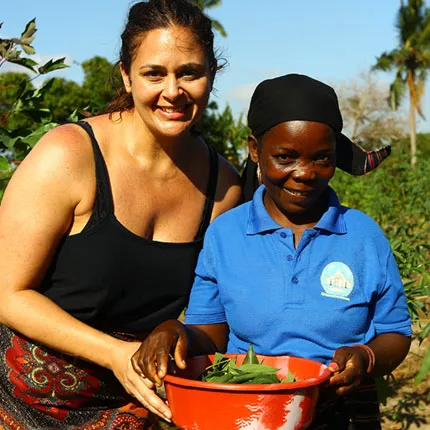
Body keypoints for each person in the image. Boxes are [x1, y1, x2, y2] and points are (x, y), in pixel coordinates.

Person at [0, 1, 242, 428]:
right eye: (154, 73)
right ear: (127, 76)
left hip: (130, 412)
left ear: (211, 77)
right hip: (20, 402)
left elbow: (212, 313)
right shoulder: (69, 156)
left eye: (190, 72)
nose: (173, 91)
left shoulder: (224, 188)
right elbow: (7, 293)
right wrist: (114, 353)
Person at [134, 74, 412, 429]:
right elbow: (211, 334)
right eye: (286, 157)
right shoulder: (226, 235)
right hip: (248, 412)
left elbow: (396, 332)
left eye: (322, 159)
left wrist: (365, 356)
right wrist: (176, 331)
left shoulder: (362, 236)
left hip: (344, 413)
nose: (304, 174)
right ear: (255, 150)